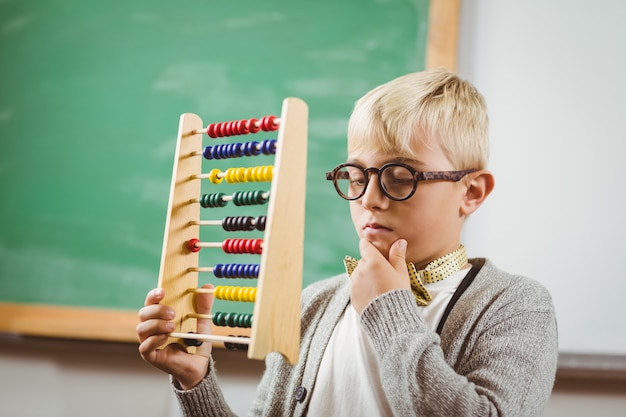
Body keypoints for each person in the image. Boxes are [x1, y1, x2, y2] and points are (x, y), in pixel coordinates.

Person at [137, 68, 558, 416]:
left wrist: (389, 312)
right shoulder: (315, 304)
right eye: (357, 177)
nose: (370, 199)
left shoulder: (515, 307)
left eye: (400, 177)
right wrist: (196, 380)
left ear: (471, 192)